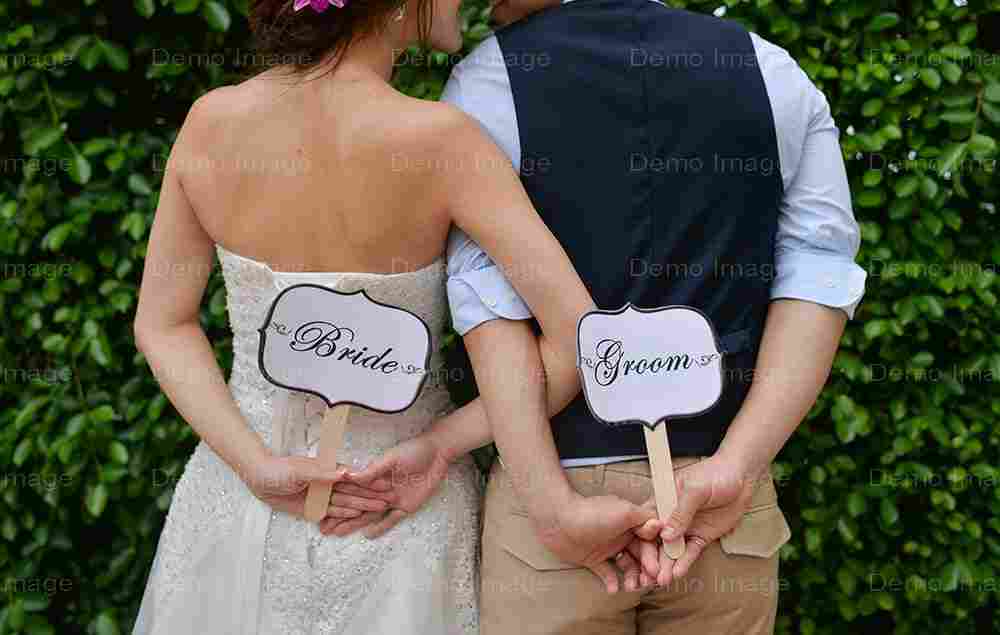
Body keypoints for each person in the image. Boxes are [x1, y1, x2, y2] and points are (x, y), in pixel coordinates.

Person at [129, 0, 662, 632]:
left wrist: (255, 465)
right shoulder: (441, 141)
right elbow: (584, 342)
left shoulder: (210, 123)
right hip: (403, 517)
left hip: (239, 506)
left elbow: (163, 324)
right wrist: (441, 445)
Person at [337, 1, 868, 633]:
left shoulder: (489, 79)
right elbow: (819, 275)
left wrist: (547, 502)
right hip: (722, 502)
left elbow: (489, 303)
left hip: (556, 502)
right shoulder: (771, 69)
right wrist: (738, 466)